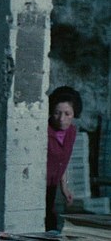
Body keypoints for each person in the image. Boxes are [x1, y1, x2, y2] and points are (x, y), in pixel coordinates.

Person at [46, 86, 82, 231]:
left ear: (74, 114)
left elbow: (62, 161)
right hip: (39, 186)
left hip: (53, 187)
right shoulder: (43, 130)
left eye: (67, 114)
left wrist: (64, 187)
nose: (61, 119)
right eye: (57, 113)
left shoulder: (71, 132)